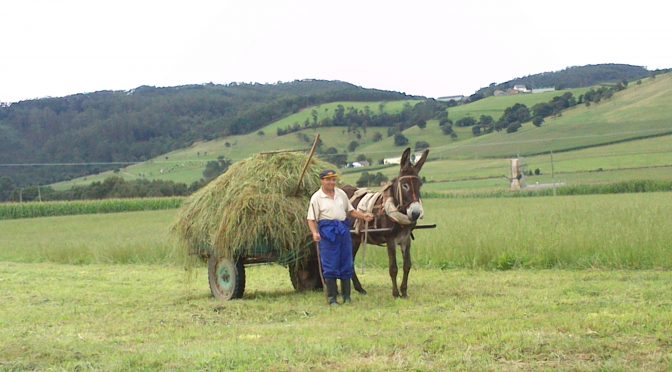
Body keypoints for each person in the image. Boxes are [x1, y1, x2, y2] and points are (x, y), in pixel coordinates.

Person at [307, 169, 374, 306]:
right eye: (328, 179)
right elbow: (311, 219)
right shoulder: (317, 198)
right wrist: (315, 233)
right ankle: (332, 298)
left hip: (343, 230)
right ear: (322, 181)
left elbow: (350, 211)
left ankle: (347, 296)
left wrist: (364, 216)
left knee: (346, 262)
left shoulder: (341, 194)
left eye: (333, 179)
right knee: (330, 264)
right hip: (327, 232)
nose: (332, 182)